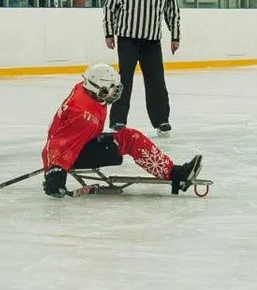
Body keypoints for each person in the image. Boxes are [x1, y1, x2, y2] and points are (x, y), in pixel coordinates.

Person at [42, 63, 202, 198]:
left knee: (130, 138)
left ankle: (172, 171)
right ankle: (176, 175)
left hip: (81, 143)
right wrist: (56, 172)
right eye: (111, 88)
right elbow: (62, 144)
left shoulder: (84, 89)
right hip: (71, 155)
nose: (115, 92)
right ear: (99, 88)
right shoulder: (84, 117)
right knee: (130, 139)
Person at [103, 0, 179, 134]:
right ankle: (118, 120)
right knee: (124, 81)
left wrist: (175, 36)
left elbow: (172, 11)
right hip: (128, 40)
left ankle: (161, 120)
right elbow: (111, 7)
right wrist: (109, 33)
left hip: (152, 42)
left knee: (156, 82)